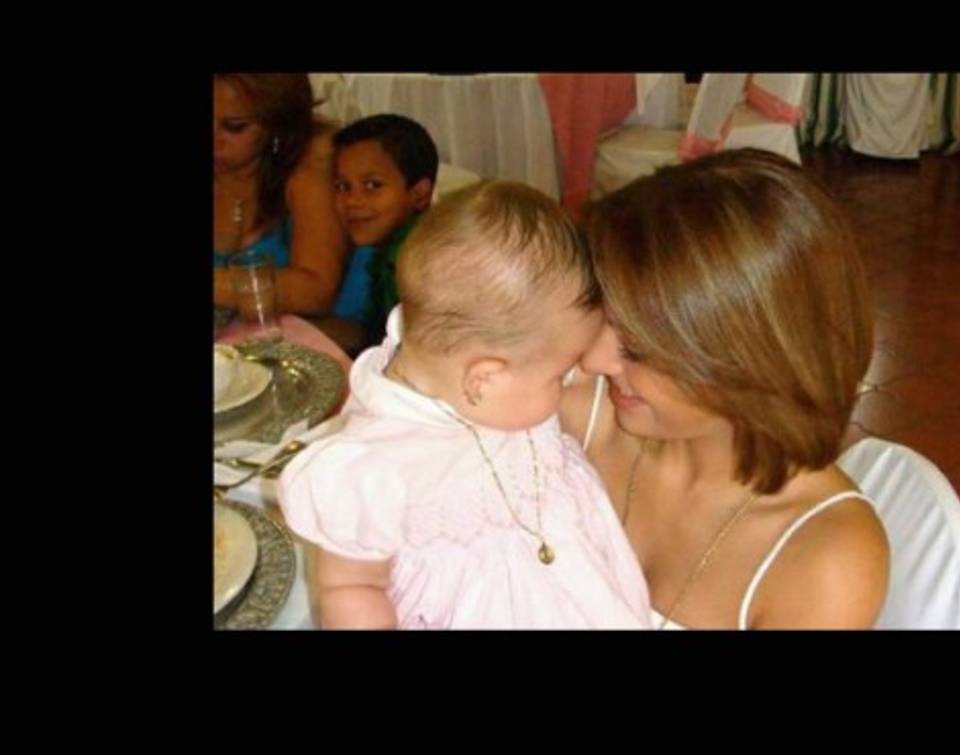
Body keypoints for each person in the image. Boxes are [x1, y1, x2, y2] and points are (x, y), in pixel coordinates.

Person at [278, 181, 651, 629]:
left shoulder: (467, 360)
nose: (578, 375)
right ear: (484, 379)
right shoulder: (373, 468)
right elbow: (349, 586)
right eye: (561, 373)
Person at [561, 148, 890, 629]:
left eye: (638, 348)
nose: (593, 359)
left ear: (752, 358)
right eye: (604, 317)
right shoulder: (581, 409)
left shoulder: (823, 559)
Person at [213, 74, 348, 318]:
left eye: (234, 127)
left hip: (322, 341)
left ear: (277, 125)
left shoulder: (312, 165)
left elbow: (315, 292)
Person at [329, 114, 438, 347]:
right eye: (342, 186)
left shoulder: (412, 261)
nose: (351, 201)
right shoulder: (380, 247)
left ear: (419, 194)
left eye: (372, 185)